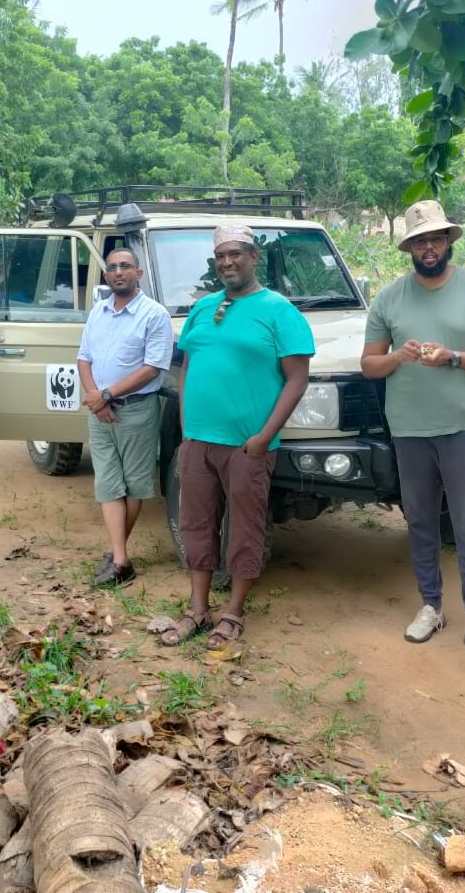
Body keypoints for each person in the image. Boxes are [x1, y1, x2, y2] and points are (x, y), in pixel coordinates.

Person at [362, 201, 465, 668]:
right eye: (419, 241)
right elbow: (370, 364)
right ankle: (430, 606)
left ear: (448, 241)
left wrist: (453, 358)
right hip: (410, 430)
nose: (428, 248)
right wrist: (399, 358)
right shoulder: (390, 297)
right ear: (408, 247)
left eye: (435, 239)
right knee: (421, 523)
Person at [160, 225, 314, 650]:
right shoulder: (202, 308)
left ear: (253, 257)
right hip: (198, 442)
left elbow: (297, 380)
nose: (228, 262)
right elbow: (189, 367)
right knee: (195, 523)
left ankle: (234, 611)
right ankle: (198, 608)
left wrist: (265, 436)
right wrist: (188, 430)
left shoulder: (279, 311)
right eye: (221, 256)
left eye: (237, 254)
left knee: (245, 528)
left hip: (249, 445)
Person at [77, 247, 173, 587]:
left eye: (126, 267)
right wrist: (96, 398)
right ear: (106, 276)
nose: (119, 272)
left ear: (139, 274)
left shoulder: (154, 314)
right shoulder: (98, 312)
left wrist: (107, 395)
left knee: (132, 486)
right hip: (100, 413)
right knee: (107, 483)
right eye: (113, 267)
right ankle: (120, 559)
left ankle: (117, 554)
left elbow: (152, 368)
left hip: (135, 411)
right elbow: (84, 359)